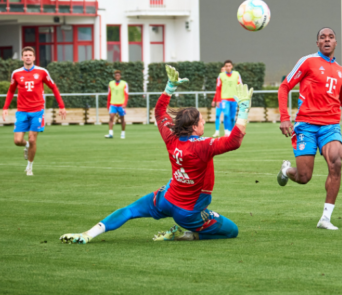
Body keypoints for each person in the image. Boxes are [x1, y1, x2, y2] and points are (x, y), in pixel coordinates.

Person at [60, 66, 253, 244]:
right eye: (202, 121)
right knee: (232, 230)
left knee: (129, 211)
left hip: (167, 198)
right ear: (194, 126)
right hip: (188, 212)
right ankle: (187, 234)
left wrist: (169, 88)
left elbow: (160, 111)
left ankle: (88, 234)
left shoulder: (171, 136)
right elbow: (234, 141)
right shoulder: (203, 146)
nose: (204, 123)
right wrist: (243, 110)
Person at [276, 28, 342, 230]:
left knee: (336, 162)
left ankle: (325, 218)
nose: (327, 40)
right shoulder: (307, 62)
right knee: (304, 177)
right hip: (306, 125)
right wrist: (284, 118)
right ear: (317, 43)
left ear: (336, 43)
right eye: (322, 38)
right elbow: (284, 87)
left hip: (331, 126)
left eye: (330, 37)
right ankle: (286, 170)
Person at [2, 47, 67, 176]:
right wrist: (5, 108)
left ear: (34, 57)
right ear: (22, 58)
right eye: (25, 55)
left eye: (30, 55)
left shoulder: (42, 72)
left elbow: (53, 87)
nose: (27, 57)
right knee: (17, 141)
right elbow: (11, 91)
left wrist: (61, 105)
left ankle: (29, 166)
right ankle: (26, 146)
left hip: (37, 111)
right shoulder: (16, 73)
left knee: (32, 139)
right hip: (22, 111)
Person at [212, 60, 242, 136]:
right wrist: (218, 100)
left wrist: (240, 97)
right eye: (226, 66)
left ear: (232, 66)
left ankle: (232, 132)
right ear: (224, 67)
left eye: (229, 66)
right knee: (226, 115)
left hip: (234, 99)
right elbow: (218, 88)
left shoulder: (237, 74)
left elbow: (240, 86)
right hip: (224, 99)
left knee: (232, 118)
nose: (228, 67)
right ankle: (227, 132)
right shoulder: (221, 75)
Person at [105, 70, 128, 139]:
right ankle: (110, 133)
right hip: (113, 104)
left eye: (118, 75)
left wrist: (125, 103)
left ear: (120, 76)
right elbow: (109, 94)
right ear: (114, 76)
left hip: (121, 105)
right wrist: (108, 104)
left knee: (122, 119)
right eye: (116, 75)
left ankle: (123, 133)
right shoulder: (111, 83)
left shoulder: (124, 83)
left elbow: (126, 94)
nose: (117, 76)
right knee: (111, 117)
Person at [211, 66, 226, 137]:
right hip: (219, 101)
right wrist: (214, 100)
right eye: (222, 70)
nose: (222, 71)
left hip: (226, 101)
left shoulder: (228, 80)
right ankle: (217, 131)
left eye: (224, 70)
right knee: (217, 116)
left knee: (227, 116)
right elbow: (217, 90)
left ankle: (228, 131)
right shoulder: (219, 78)